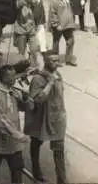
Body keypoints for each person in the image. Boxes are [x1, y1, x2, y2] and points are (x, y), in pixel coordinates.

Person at [24, 52, 67, 184]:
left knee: (59, 149)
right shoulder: (38, 79)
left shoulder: (57, 75)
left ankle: (62, 179)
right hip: (41, 117)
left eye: (57, 60)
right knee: (36, 143)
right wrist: (50, 83)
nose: (56, 63)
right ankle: (36, 170)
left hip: (57, 117)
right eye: (52, 61)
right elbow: (38, 99)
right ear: (46, 62)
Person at [48, 0, 77, 66]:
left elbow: (69, 13)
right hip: (59, 26)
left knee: (70, 42)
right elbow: (53, 14)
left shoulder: (66, 0)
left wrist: (72, 24)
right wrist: (56, 25)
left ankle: (68, 59)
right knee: (56, 43)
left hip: (68, 26)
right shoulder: (54, 1)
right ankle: (54, 61)